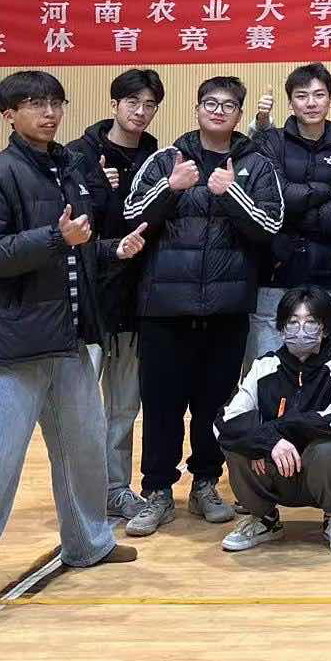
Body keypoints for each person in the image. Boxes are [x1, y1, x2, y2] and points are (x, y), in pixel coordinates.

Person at [0, 71, 144, 645]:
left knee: (84, 450)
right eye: (35, 103)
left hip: (67, 341)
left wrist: (110, 249)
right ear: (8, 115)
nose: (49, 112)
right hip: (14, 346)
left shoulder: (68, 168)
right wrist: (57, 240)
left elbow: (73, 252)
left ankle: (88, 542)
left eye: (55, 102)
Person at [121, 75, 285, 538]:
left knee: (215, 404)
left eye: (228, 105)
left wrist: (231, 193)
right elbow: (130, 216)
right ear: (196, 109)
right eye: (210, 103)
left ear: (239, 114)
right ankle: (157, 490)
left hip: (226, 309)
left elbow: (270, 226)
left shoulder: (257, 164)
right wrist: (170, 187)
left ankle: (206, 484)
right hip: (164, 307)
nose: (218, 111)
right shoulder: (166, 159)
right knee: (161, 406)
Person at [65, 67, 164, 520]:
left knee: (124, 407)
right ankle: (78, 494)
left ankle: (116, 489)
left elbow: (148, 220)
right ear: (114, 104)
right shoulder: (79, 156)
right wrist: (104, 192)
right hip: (87, 303)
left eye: (149, 105)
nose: (140, 112)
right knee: (79, 408)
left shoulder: (156, 158)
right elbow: (76, 225)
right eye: (132, 103)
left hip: (133, 302)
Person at [215, 286, 331, 555]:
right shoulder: (264, 366)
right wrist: (267, 443)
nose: (301, 330)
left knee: (329, 448)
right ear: (281, 328)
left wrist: (273, 432)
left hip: (321, 468)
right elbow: (225, 421)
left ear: (325, 328)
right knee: (237, 447)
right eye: (293, 322)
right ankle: (264, 519)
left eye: (310, 322)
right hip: (277, 470)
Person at [248, 62, 331, 370]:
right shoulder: (270, 142)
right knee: (266, 369)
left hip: (326, 275)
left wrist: (294, 214)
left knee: (324, 372)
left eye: (319, 95)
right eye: (302, 96)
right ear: (291, 103)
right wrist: (326, 192)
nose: (311, 103)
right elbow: (271, 198)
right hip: (274, 274)